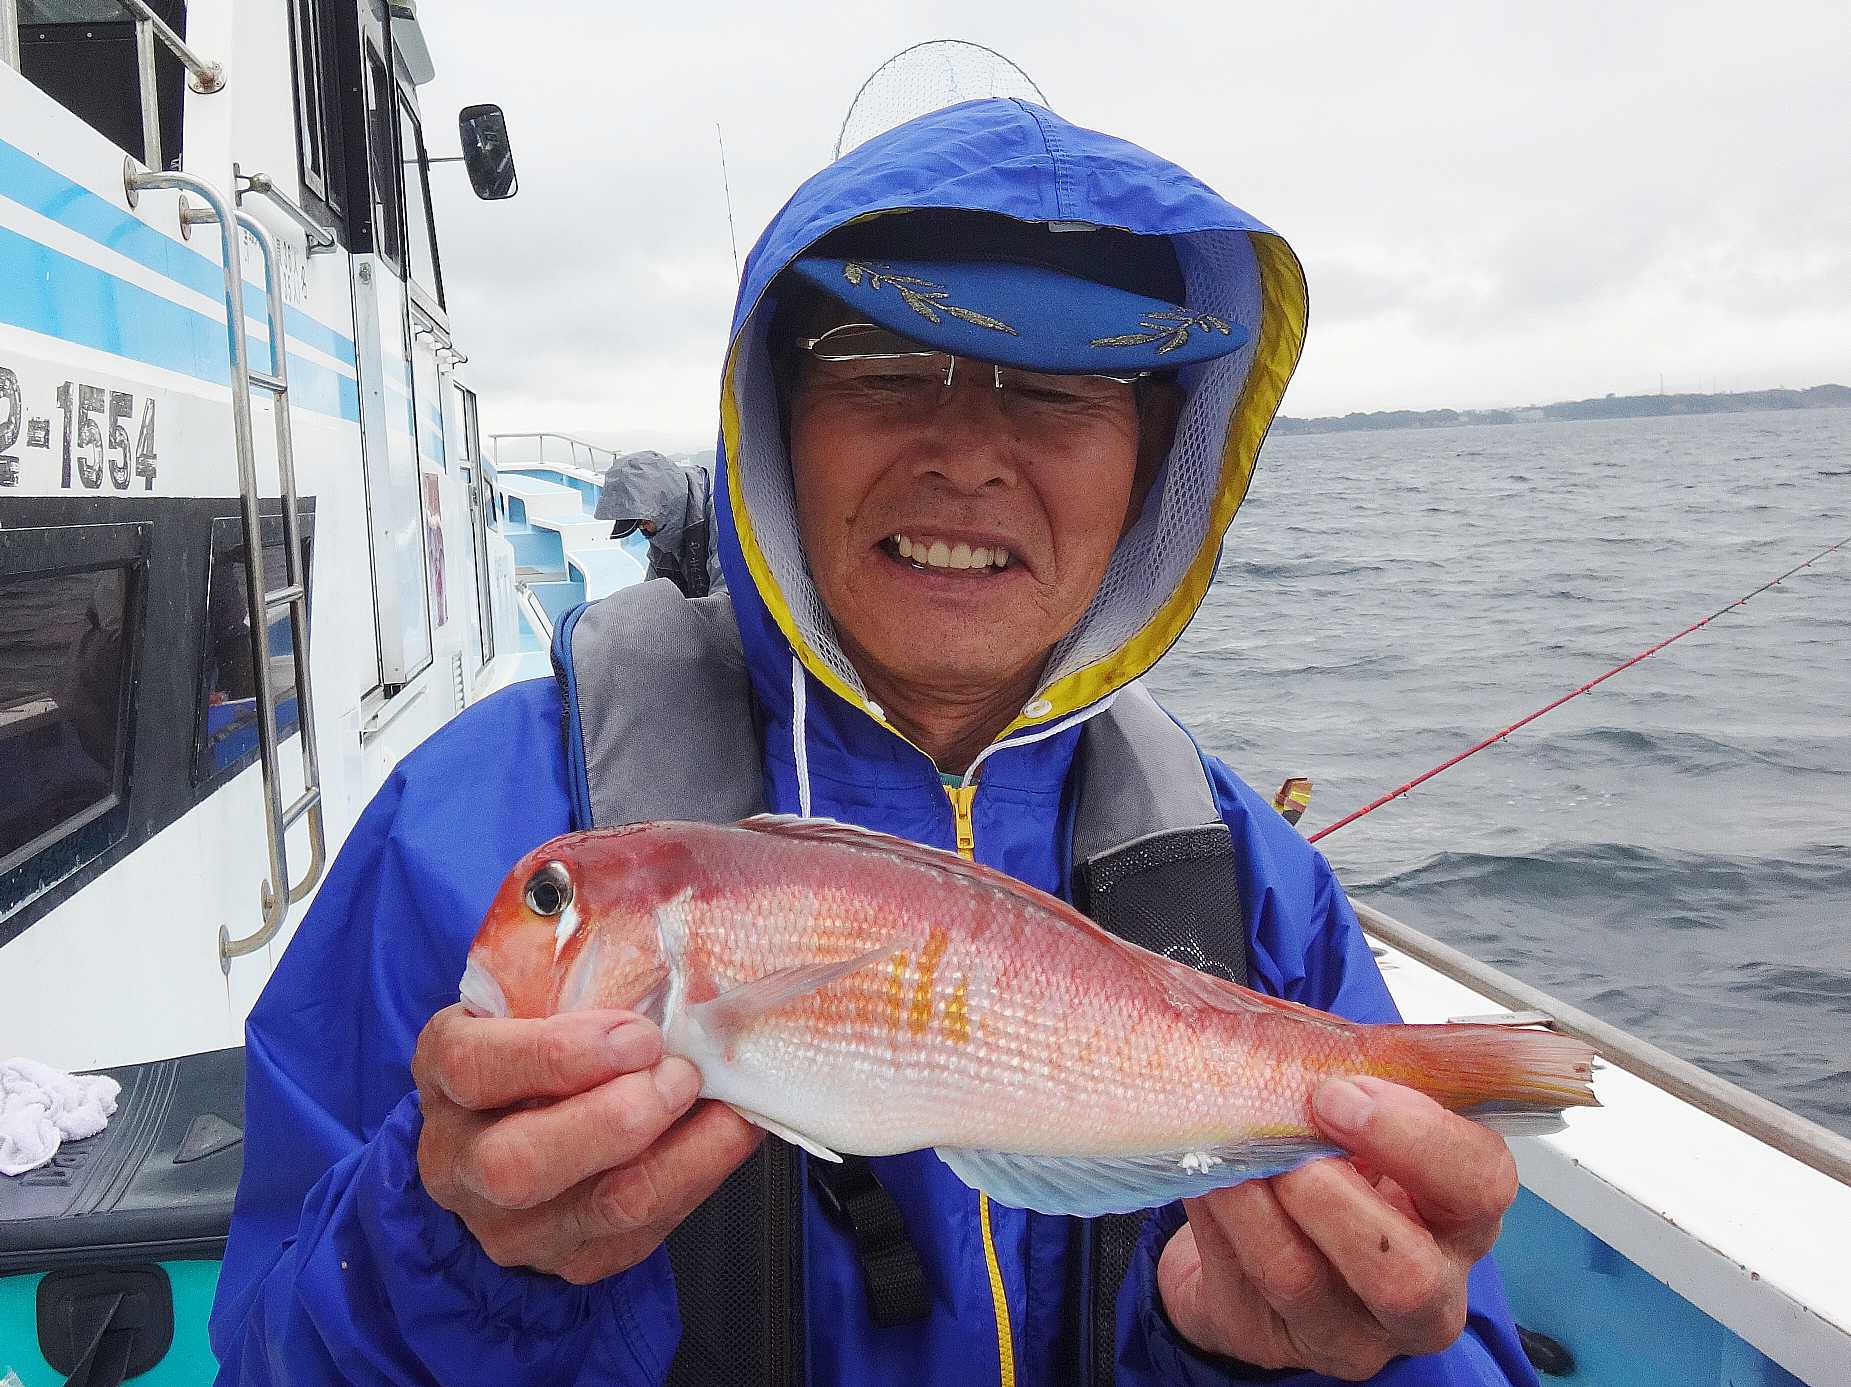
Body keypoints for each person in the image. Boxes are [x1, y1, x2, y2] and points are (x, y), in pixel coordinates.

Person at [210, 98, 1539, 1385]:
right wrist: (453, 1256)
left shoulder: (1254, 885)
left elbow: (1453, 1342)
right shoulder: (455, 830)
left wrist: (1296, 1360)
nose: (967, 454)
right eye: (884, 364)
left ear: (1153, 459)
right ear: (776, 417)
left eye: (1062, 388)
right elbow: (271, 1352)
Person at [595, 448, 725, 597]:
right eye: (639, 526)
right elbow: (650, 595)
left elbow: (727, 597)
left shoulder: (720, 519)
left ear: (664, 506)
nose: (644, 529)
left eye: (644, 522)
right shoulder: (661, 536)